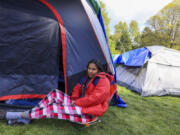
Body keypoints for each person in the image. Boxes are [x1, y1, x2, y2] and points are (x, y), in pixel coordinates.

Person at [0, 59, 113, 124]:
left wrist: (77, 103)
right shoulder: (87, 78)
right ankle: (27, 118)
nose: (90, 71)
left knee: (52, 108)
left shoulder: (103, 81)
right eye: (89, 68)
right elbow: (77, 89)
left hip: (87, 113)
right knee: (55, 93)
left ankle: (17, 115)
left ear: (99, 70)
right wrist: (73, 100)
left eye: (93, 69)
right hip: (79, 104)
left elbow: (95, 99)